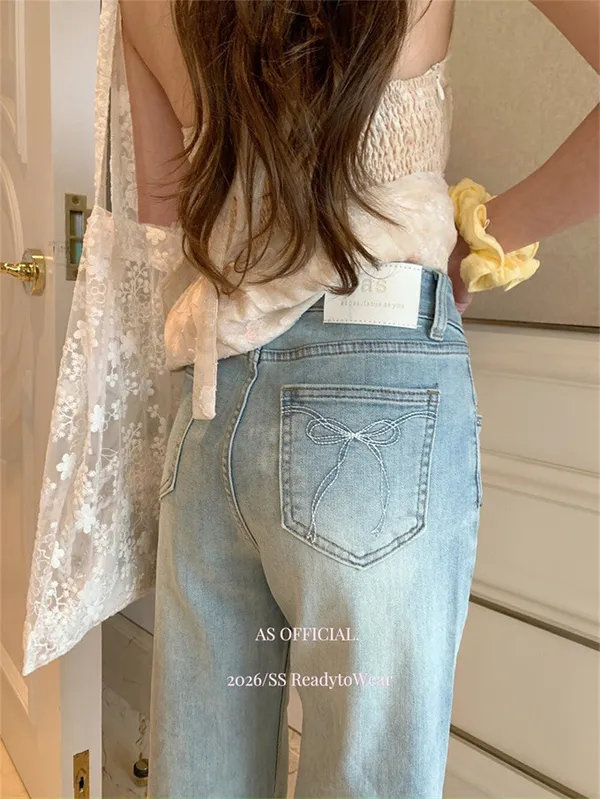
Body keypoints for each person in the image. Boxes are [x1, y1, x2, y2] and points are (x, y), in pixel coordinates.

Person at [117, 1, 599, 797]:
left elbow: (162, 224)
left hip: (211, 404)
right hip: (377, 387)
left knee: (203, 773)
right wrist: (484, 233)